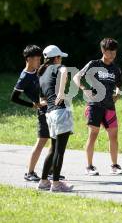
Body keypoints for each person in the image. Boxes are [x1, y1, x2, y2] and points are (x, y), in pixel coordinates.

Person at [73, 38, 122, 176]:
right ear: (103, 51)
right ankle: (89, 166)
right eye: (110, 51)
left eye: (114, 51)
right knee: (93, 135)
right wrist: (83, 88)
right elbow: (76, 77)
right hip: (95, 105)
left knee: (114, 136)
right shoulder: (93, 64)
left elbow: (119, 85)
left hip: (109, 106)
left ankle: (114, 165)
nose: (113, 54)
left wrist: (118, 94)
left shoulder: (115, 68)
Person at [37, 45, 74, 192]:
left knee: (52, 149)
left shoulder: (42, 74)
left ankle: (44, 181)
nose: (61, 61)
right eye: (60, 58)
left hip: (50, 114)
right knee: (59, 151)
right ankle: (57, 183)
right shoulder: (57, 67)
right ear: (56, 58)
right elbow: (64, 70)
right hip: (60, 113)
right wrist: (60, 93)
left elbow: (42, 100)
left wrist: (54, 97)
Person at [10, 45, 49, 182]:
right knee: (41, 142)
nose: (39, 61)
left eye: (40, 58)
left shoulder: (38, 70)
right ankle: (30, 173)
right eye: (37, 59)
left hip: (51, 110)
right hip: (43, 112)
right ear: (28, 59)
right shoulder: (24, 77)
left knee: (55, 141)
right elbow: (14, 98)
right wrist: (33, 105)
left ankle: (49, 170)